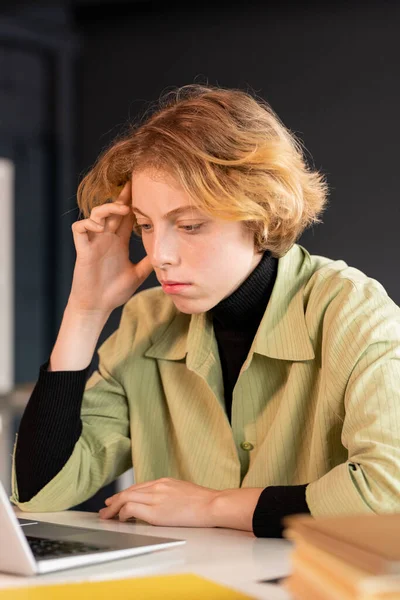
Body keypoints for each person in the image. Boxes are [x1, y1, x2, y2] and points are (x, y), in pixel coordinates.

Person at [11, 84, 400, 538]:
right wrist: (85, 311)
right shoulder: (147, 321)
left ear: (260, 215)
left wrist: (214, 505)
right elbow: (41, 492)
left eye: (190, 225)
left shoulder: (352, 310)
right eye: (146, 227)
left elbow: (388, 491)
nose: (160, 255)